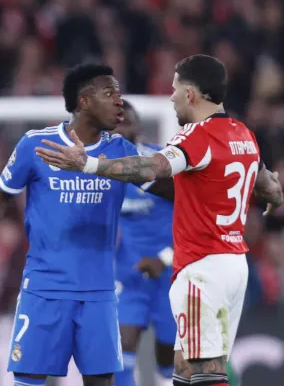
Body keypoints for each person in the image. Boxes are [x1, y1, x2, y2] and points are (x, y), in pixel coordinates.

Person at [35, 55, 284, 386]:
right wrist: (275, 195)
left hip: (201, 266)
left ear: (190, 94)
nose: (171, 97)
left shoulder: (196, 137)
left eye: (175, 88)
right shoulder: (243, 134)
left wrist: (88, 165)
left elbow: (152, 168)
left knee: (204, 373)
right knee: (186, 369)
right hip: (231, 263)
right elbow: (267, 185)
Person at [0, 64, 169, 386]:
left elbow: (167, 189)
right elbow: (0, 196)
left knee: (102, 382)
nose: (119, 101)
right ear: (84, 101)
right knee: (29, 379)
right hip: (45, 287)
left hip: (100, 292)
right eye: (109, 93)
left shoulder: (120, 150)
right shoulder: (37, 144)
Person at [112, 99, 175, 386]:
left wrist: (164, 258)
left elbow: (197, 222)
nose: (119, 129)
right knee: (121, 351)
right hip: (130, 277)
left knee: (170, 364)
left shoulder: (162, 165)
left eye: (126, 122)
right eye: (114, 124)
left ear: (139, 127)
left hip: (171, 275)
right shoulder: (101, 171)